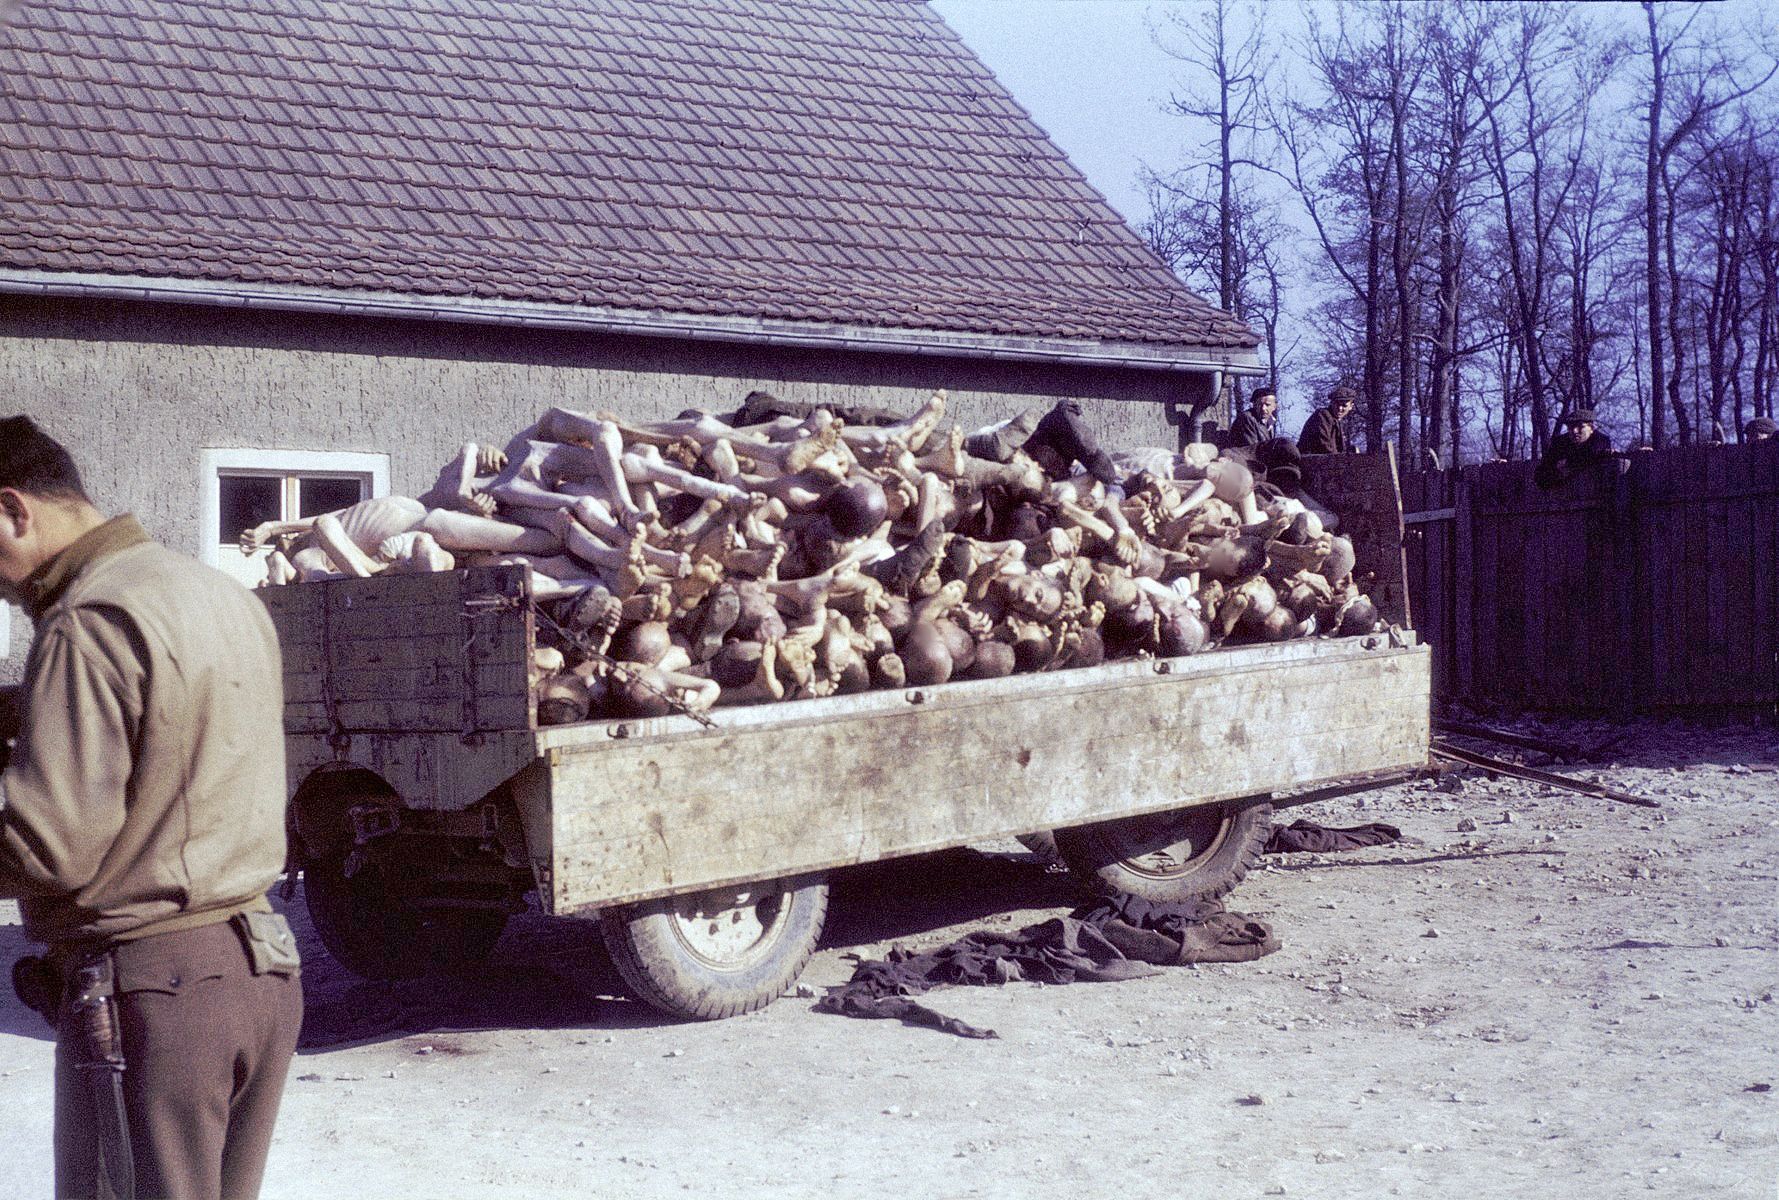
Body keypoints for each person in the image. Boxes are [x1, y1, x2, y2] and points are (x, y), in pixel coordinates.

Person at [0, 416, 301, 1200]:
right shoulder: (209, 589)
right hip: (257, 968)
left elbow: (48, 847)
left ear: (13, 509)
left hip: (153, 993)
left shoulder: (86, 622)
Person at [1533, 408, 1621, 489]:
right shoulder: (1560, 443)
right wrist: (1557, 472)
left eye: (1580, 426)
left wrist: (1567, 463)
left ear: (1592, 428)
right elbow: (1540, 475)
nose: (1574, 431)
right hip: (1563, 497)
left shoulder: (1600, 440)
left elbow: (1591, 455)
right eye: (1570, 427)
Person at [1297, 385, 1356, 455]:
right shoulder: (1323, 415)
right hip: (1310, 461)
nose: (1340, 408)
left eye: (1344, 405)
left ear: (1351, 407)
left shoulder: (1336, 420)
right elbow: (1324, 446)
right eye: (1337, 404)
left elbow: (1338, 449)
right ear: (1331, 403)